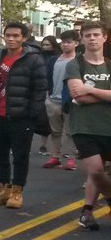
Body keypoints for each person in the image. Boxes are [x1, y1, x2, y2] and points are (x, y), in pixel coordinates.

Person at [0, 21, 48, 209]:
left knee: (20, 156)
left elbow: (40, 89)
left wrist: (32, 113)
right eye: (8, 35)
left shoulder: (34, 59)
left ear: (24, 38)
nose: (11, 39)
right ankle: (4, 189)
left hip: (21, 117)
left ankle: (17, 192)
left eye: (16, 36)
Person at [65, 22, 111, 230]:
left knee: (97, 172)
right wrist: (105, 95)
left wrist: (90, 90)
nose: (92, 38)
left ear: (104, 38)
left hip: (107, 126)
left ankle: (87, 211)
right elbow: (78, 96)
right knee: (96, 170)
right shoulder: (75, 64)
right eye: (88, 35)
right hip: (83, 127)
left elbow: (84, 94)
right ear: (82, 39)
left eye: (96, 35)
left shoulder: (109, 65)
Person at [42, 30, 79, 170]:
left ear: (76, 43)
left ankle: (71, 159)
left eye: (69, 42)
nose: (65, 45)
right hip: (53, 100)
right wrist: (47, 96)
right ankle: (55, 156)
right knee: (55, 131)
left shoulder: (79, 61)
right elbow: (47, 78)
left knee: (70, 132)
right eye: (63, 42)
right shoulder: (54, 60)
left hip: (71, 102)